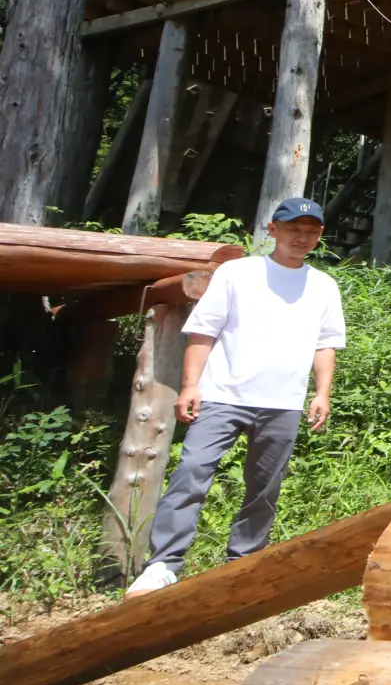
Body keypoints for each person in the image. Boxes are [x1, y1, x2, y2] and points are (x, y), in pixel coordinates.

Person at [125, 198, 345, 596]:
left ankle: (244, 565)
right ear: (273, 229)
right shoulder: (237, 273)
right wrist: (191, 385)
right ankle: (164, 565)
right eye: (294, 227)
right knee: (192, 471)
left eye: (311, 230)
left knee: (265, 487)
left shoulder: (323, 285)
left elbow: (326, 344)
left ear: (320, 236)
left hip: (284, 402)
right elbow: (203, 331)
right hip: (223, 395)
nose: (302, 236)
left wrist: (322, 393)